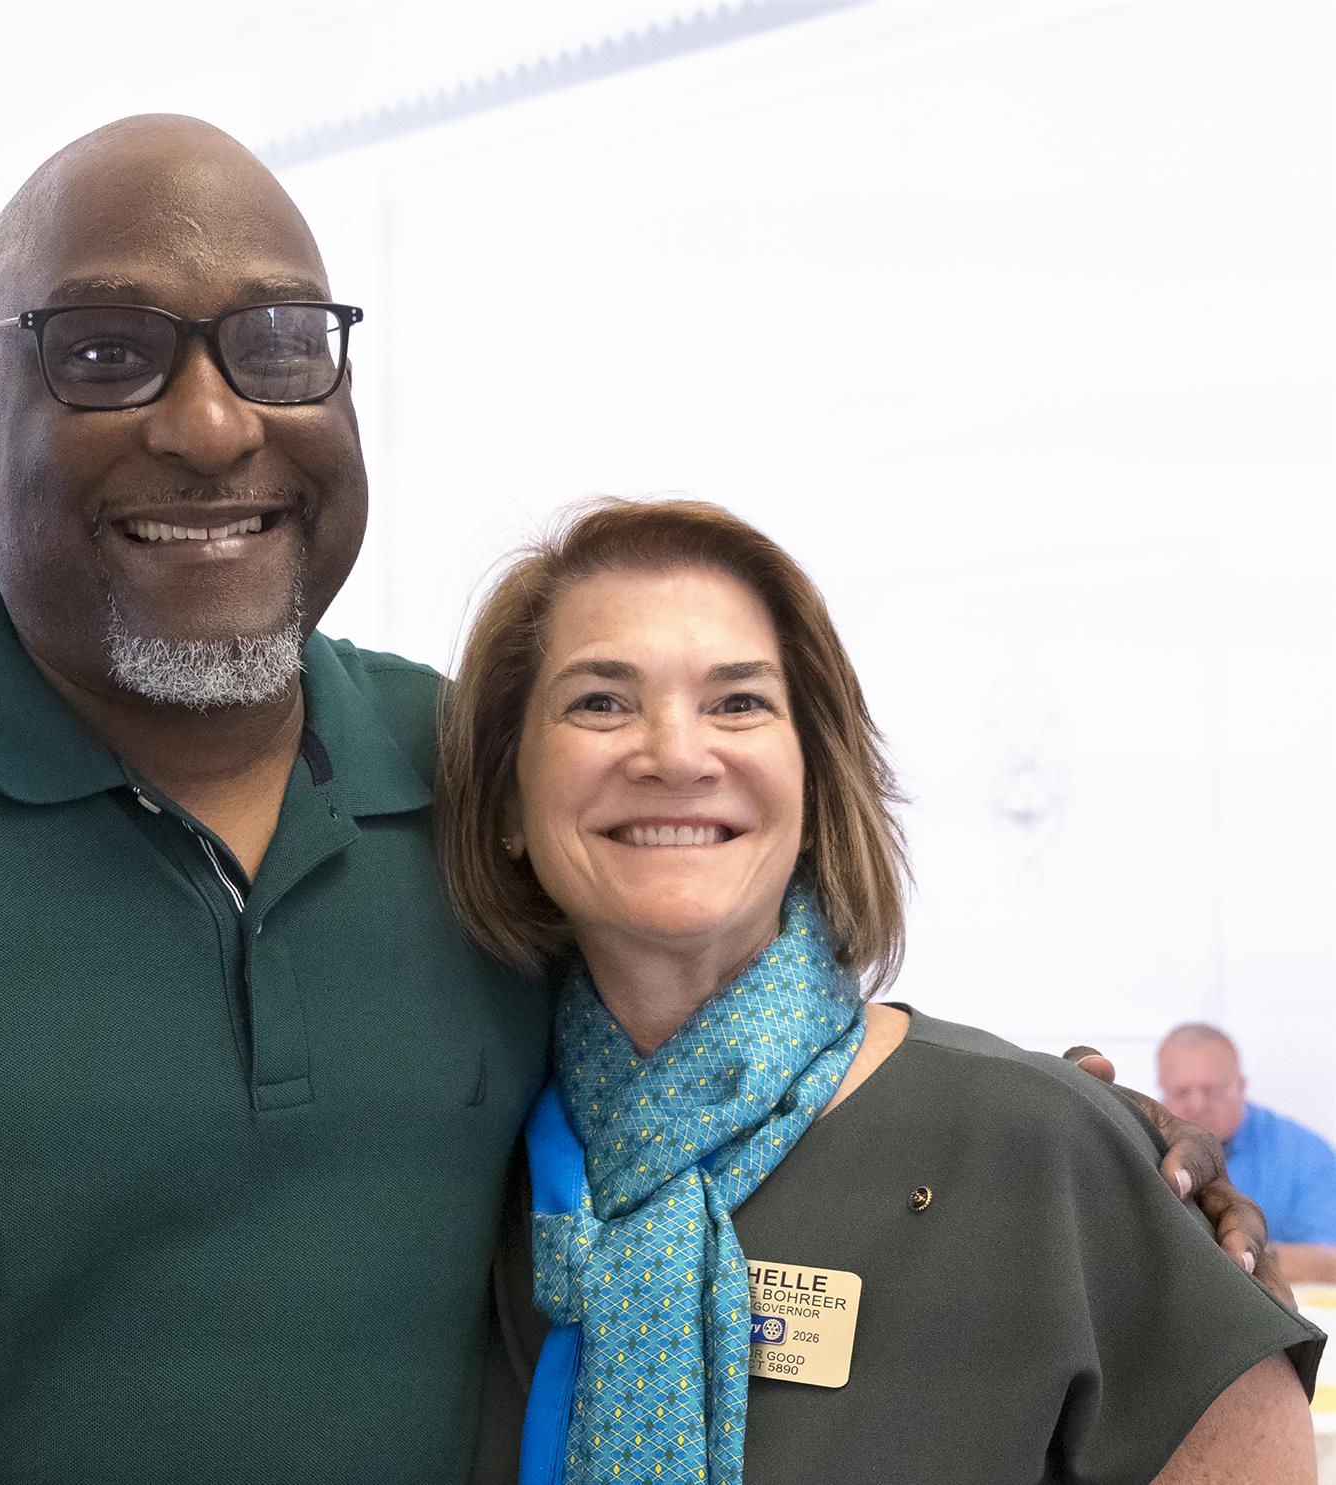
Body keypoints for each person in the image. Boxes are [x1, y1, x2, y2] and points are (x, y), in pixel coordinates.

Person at [0, 117, 1281, 1483]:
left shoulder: (480, 795)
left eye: (281, 342)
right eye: (106, 350)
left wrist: (1106, 1161)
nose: (213, 421)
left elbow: (729, 1038)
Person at [435, 499, 1322, 1483]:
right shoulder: (461, 1176)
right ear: (508, 798)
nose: (677, 754)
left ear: (815, 786)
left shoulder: (1052, 1148)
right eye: (601, 702)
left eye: (739, 702)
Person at [1159, 1022, 1336, 1286]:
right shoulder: (1141, 1147)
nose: (1197, 1105)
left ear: (1241, 1086)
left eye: (1211, 1091)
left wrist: (1232, 1255)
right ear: (1161, 1089)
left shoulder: (1306, 1155)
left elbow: (1328, 1261)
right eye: (1182, 1092)